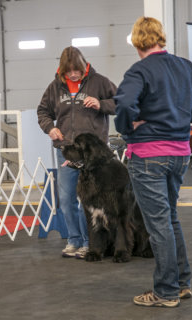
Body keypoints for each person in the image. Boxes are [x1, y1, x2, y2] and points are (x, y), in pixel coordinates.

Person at [114, 17, 192, 307]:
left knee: (158, 225)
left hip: (149, 155)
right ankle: (181, 283)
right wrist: (187, 116)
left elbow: (123, 104)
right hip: (179, 153)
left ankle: (165, 292)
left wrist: (126, 128)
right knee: (170, 219)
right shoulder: (185, 66)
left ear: (137, 42)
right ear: (161, 38)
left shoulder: (138, 71)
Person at [37, 46, 117, 259]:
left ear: (84, 67)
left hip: (94, 155)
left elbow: (121, 102)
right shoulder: (54, 87)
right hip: (66, 151)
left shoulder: (100, 82)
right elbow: (43, 111)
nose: (73, 75)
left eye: (77, 71)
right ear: (62, 70)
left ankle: (89, 242)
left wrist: (101, 104)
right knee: (66, 198)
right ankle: (74, 240)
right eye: (69, 71)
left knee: (90, 200)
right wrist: (50, 128)